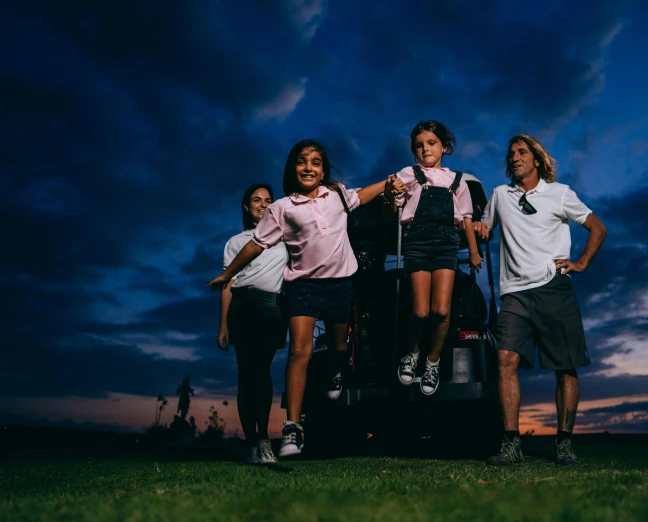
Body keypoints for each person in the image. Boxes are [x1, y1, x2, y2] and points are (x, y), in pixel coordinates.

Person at [208, 140, 404, 458]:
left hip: (340, 285)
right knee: (300, 350)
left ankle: (335, 371)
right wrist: (227, 274)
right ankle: (292, 429)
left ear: (323, 169)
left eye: (315, 162)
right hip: (303, 287)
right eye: (302, 161)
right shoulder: (282, 208)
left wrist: (388, 183)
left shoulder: (338, 194)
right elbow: (256, 244)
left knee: (339, 346)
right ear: (293, 168)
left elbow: (364, 195)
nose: (308, 167)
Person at [475, 134, 607, 466]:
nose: (515, 157)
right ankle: (510, 444)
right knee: (505, 360)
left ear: (536, 158)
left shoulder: (559, 193)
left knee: (565, 366)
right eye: (511, 154)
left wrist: (581, 263)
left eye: (522, 152)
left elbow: (598, 228)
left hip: (553, 289)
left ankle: (563, 444)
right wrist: (474, 226)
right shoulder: (500, 196)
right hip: (514, 294)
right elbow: (484, 228)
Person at [387, 120, 482, 396]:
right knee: (421, 310)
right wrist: (390, 192)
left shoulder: (457, 180)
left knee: (441, 310)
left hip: (446, 243)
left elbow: (466, 218)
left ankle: (432, 361)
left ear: (444, 146)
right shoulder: (409, 174)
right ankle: (412, 353)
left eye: (431, 143)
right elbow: (394, 205)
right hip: (416, 241)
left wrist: (473, 251)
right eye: (419, 145)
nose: (425, 149)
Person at [216, 184, 288, 465]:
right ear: (246, 206)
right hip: (242, 306)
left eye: (268, 200)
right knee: (246, 374)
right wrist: (223, 325)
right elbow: (227, 284)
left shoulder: (284, 239)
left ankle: (263, 440)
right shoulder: (235, 242)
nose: (262, 204)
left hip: (272, 307)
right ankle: (252, 444)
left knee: (262, 371)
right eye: (256, 200)